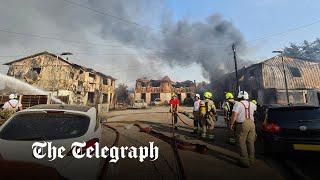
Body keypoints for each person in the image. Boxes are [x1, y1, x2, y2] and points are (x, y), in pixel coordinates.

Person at [229, 91, 257, 167]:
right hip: (252, 123)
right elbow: (255, 111)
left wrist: (231, 124)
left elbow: (234, 115)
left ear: (239, 97)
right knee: (250, 142)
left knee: (241, 142)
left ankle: (244, 161)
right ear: (247, 97)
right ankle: (251, 160)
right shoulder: (252, 104)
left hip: (242, 124)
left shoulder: (237, 104)